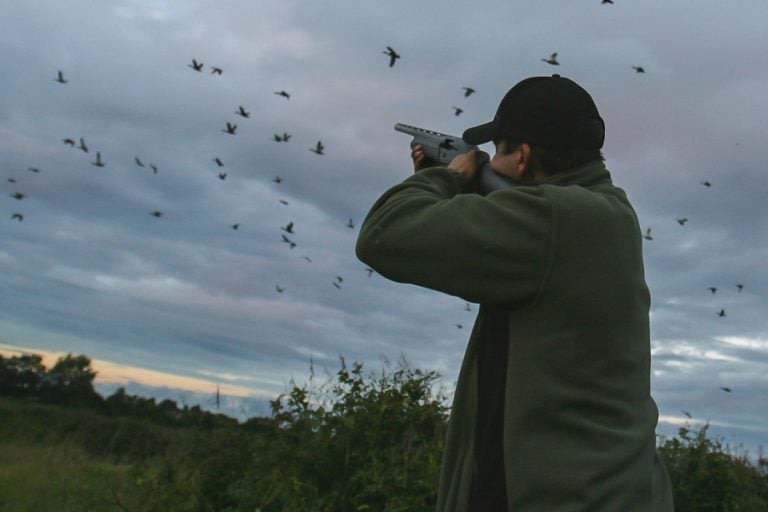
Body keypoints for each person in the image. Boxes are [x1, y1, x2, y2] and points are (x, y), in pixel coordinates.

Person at [355, 74, 674, 511]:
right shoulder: (604, 211)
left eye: (497, 153)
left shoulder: (555, 217)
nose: (489, 163)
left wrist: (447, 179)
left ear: (522, 157)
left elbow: (383, 236)